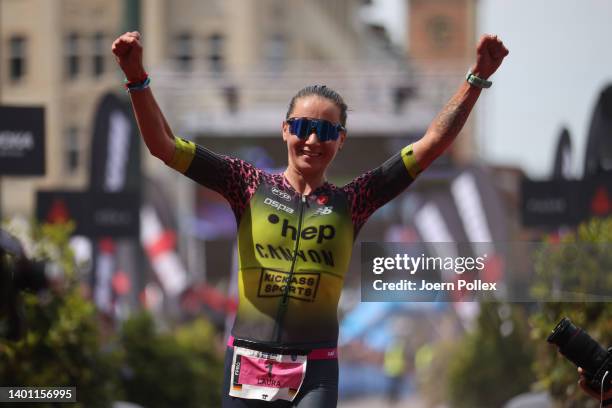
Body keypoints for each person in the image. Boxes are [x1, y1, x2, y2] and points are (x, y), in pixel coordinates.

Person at [112, 31, 509, 407]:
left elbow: (430, 147)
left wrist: (476, 79)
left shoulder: (353, 200)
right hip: (249, 362)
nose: (313, 140)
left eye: (326, 130)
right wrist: (136, 79)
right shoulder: (246, 183)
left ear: (341, 140)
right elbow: (162, 146)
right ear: (286, 131)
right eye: (303, 127)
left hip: (315, 368)